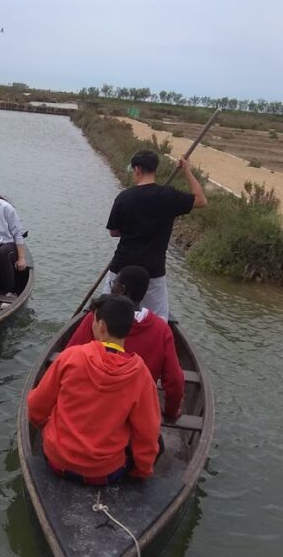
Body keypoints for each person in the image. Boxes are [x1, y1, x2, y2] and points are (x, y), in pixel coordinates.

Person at [27, 294, 163, 483]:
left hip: (56, 462)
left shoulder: (70, 357)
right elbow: (148, 434)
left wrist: (48, 430)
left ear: (101, 326)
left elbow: (35, 407)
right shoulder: (141, 374)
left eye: (93, 320)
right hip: (106, 473)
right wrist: (142, 472)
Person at [65, 265, 185, 420]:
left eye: (113, 284)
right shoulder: (161, 329)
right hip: (134, 412)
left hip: (90, 405)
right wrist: (171, 412)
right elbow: (175, 381)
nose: (111, 288)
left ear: (121, 290)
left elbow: (68, 358)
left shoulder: (97, 318)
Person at [104, 150, 207, 320]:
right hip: (153, 270)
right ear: (155, 169)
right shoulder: (168, 196)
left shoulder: (124, 197)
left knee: (106, 314)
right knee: (158, 320)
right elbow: (201, 200)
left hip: (122, 267)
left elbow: (113, 232)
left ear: (137, 169)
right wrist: (187, 170)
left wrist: (132, 229)